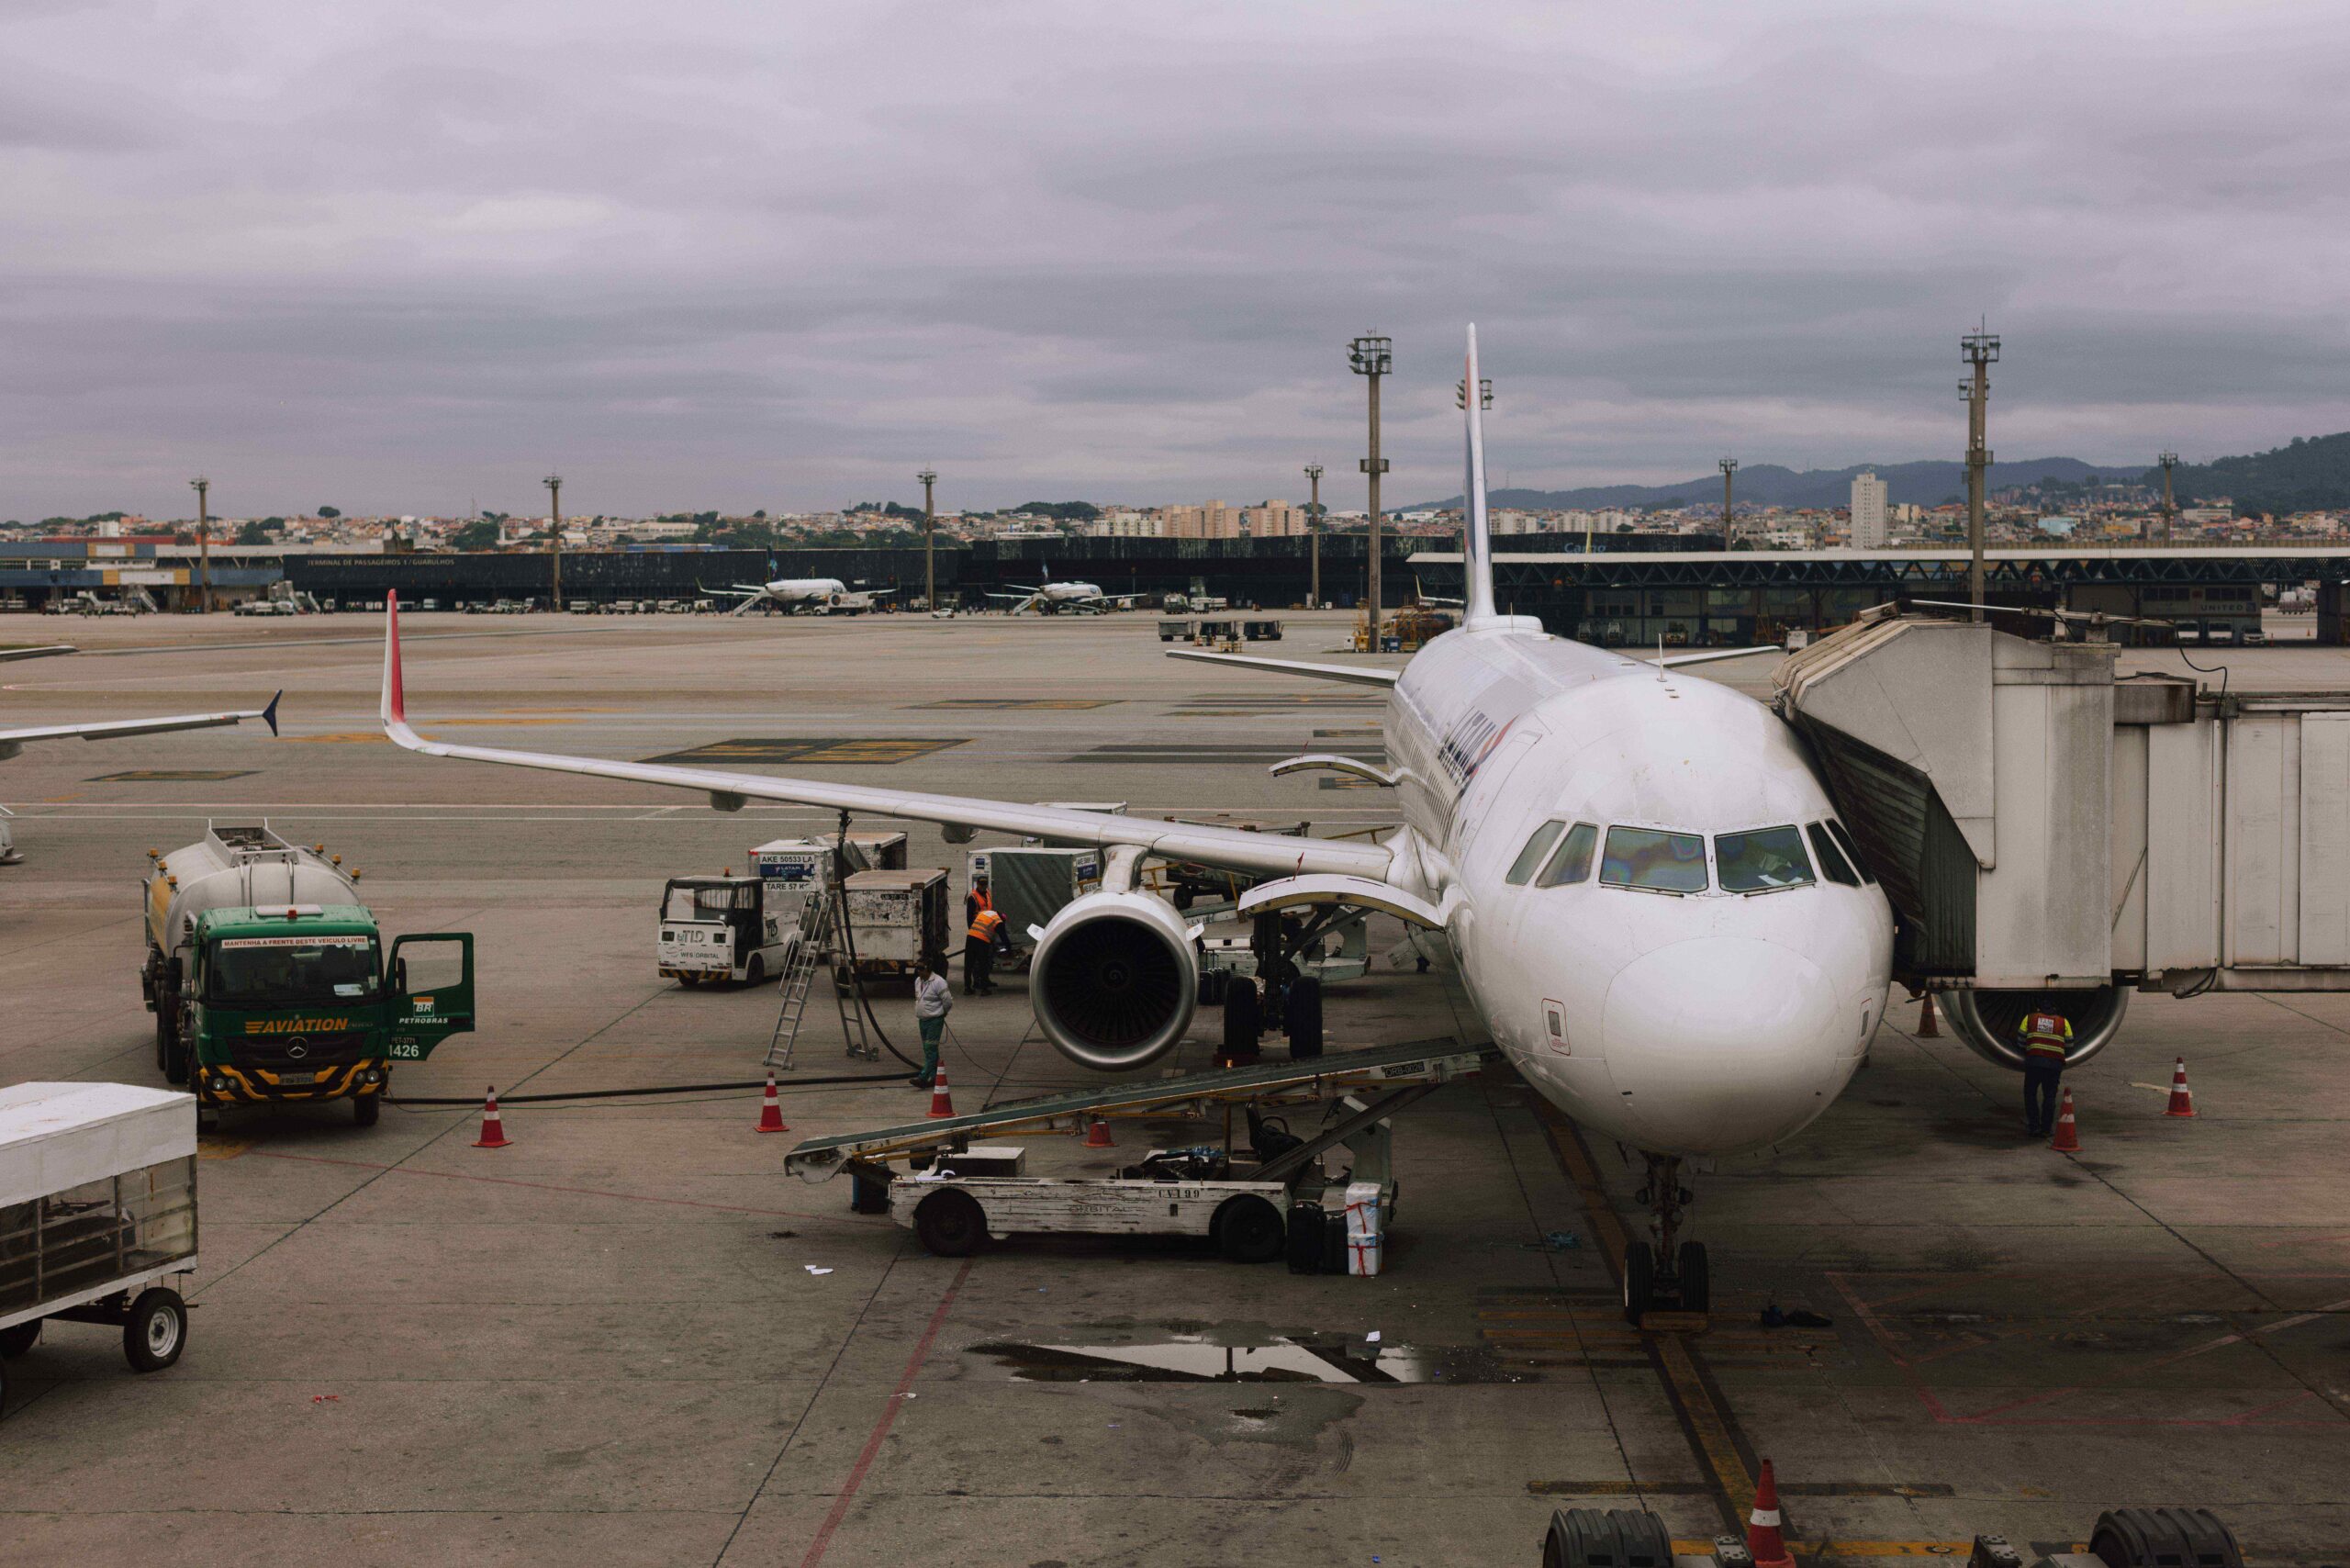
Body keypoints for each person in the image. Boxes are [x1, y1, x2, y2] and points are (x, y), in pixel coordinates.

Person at [2019, 1008, 2072, 1137]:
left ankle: (2034, 1126)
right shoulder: (2063, 1022)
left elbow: (2021, 1041)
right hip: (2054, 1065)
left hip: (2034, 1063)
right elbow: (2070, 1044)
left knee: (2030, 1094)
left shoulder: (2030, 1018)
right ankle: (2046, 1129)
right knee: (2049, 1096)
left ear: (2038, 1008)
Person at [911, 954, 951, 1088]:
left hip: (934, 1021)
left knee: (930, 1048)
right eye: (917, 968)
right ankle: (935, 1077)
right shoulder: (918, 981)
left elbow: (948, 1001)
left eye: (921, 968)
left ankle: (923, 1077)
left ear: (928, 968)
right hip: (923, 1020)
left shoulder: (939, 982)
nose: (918, 971)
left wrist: (942, 1013)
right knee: (929, 1049)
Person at [965, 905, 1004, 996]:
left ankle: (967, 988)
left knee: (969, 964)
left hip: (970, 936)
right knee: (983, 964)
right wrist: (1008, 948)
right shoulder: (997, 920)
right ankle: (984, 989)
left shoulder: (984, 913)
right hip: (982, 940)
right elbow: (1004, 937)